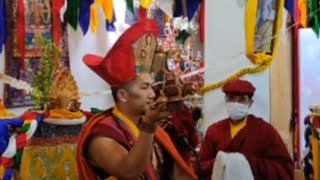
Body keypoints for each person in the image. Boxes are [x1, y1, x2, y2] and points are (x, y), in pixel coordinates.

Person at [76, 19, 197, 180]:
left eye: (151, 87)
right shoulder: (102, 135)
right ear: (123, 95)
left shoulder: (154, 129)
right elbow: (129, 172)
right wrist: (148, 127)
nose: (152, 95)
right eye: (144, 87)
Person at [199, 79, 294, 180]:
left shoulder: (265, 131)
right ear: (226, 101)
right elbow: (201, 167)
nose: (236, 103)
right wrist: (222, 163)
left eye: (242, 100)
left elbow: (284, 169)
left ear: (250, 103)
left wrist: (249, 162)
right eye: (231, 98)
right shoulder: (214, 131)